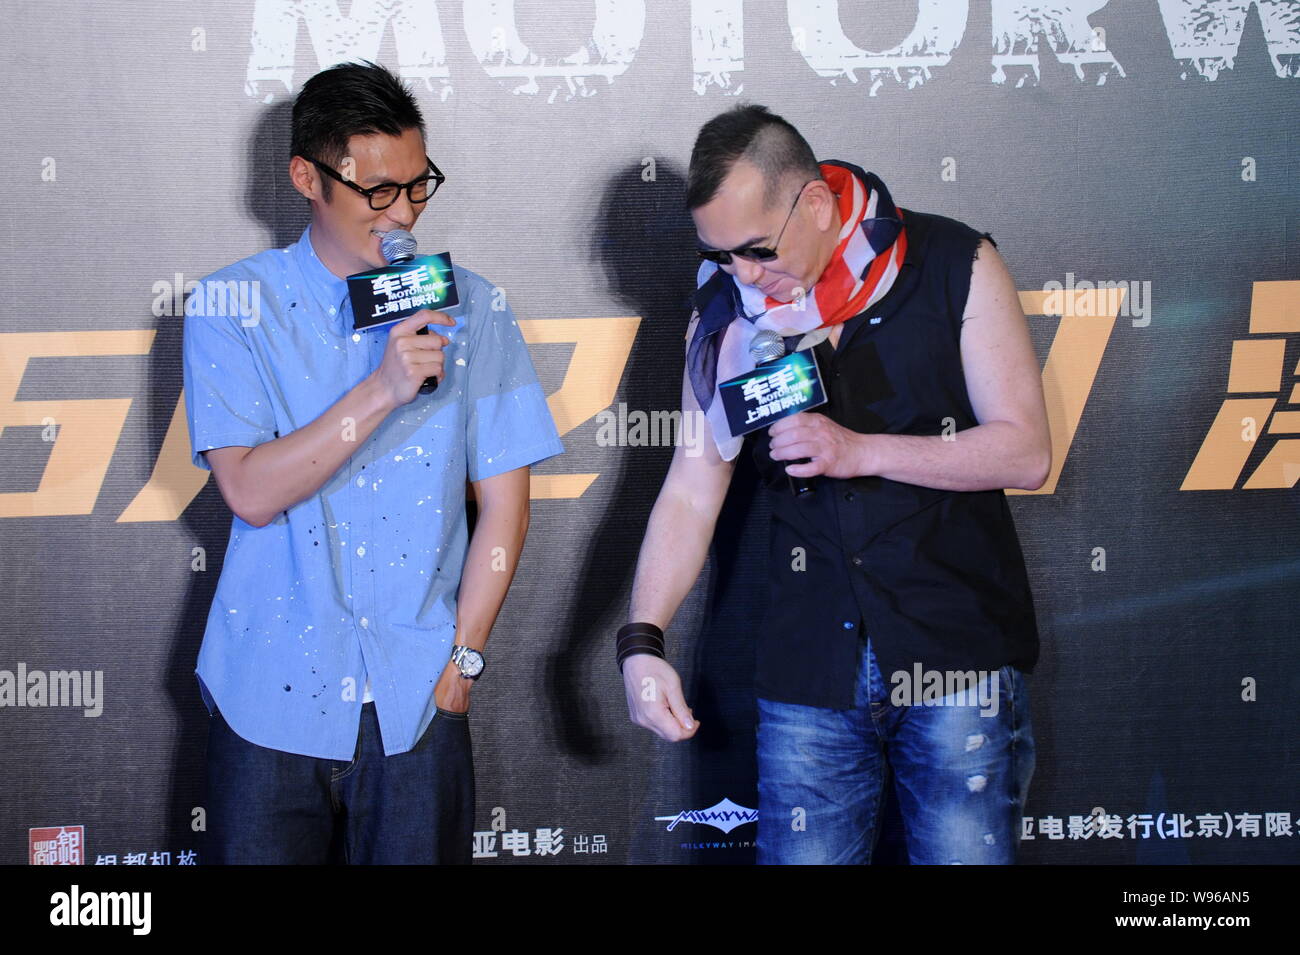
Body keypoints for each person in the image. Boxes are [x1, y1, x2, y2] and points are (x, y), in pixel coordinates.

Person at [618, 104, 1049, 865]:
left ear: (814, 204)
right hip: (808, 674)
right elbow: (690, 488)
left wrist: (862, 450)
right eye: (721, 256)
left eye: (755, 249)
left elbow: (1025, 453)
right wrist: (642, 639)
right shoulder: (723, 318)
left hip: (956, 655)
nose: (743, 275)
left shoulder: (955, 262)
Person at [182, 60, 563, 864]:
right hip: (267, 700)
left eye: (419, 186)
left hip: (416, 702)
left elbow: (506, 505)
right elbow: (249, 491)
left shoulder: (474, 305)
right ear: (306, 177)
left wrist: (464, 659)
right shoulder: (230, 307)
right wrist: (384, 388)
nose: (403, 212)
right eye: (378, 192)